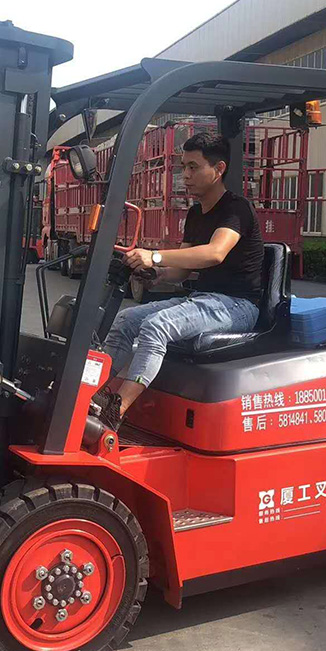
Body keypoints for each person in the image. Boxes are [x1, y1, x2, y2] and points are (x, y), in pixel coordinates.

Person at [92, 132, 264, 431]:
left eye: (193, 167)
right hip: (204, 300)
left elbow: (214, 253)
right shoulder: (196, 213)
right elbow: (180, 271)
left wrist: (155, 256)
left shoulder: (237, 208)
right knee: (125, 320)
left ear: (219, 169)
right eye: (183, 167)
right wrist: (154, 273)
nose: (185, 175)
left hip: (237, 306)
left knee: (156, 326)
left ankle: (115, 412)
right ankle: (89, 395)